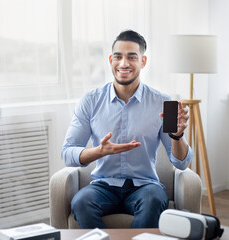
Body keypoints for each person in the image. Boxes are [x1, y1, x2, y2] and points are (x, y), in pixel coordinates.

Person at [61, 30, 193, 229]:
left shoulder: (163, 102)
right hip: (103, 185)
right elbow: (67, 154)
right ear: (110, 60)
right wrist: (99, 152)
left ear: (143, 61)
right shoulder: (90, 101)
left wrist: (177, 136)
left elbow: (181, 163)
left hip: (146, 185)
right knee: (81, 202)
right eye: (118, 57)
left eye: (132, 57)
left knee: (154, 200)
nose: (124, 63)